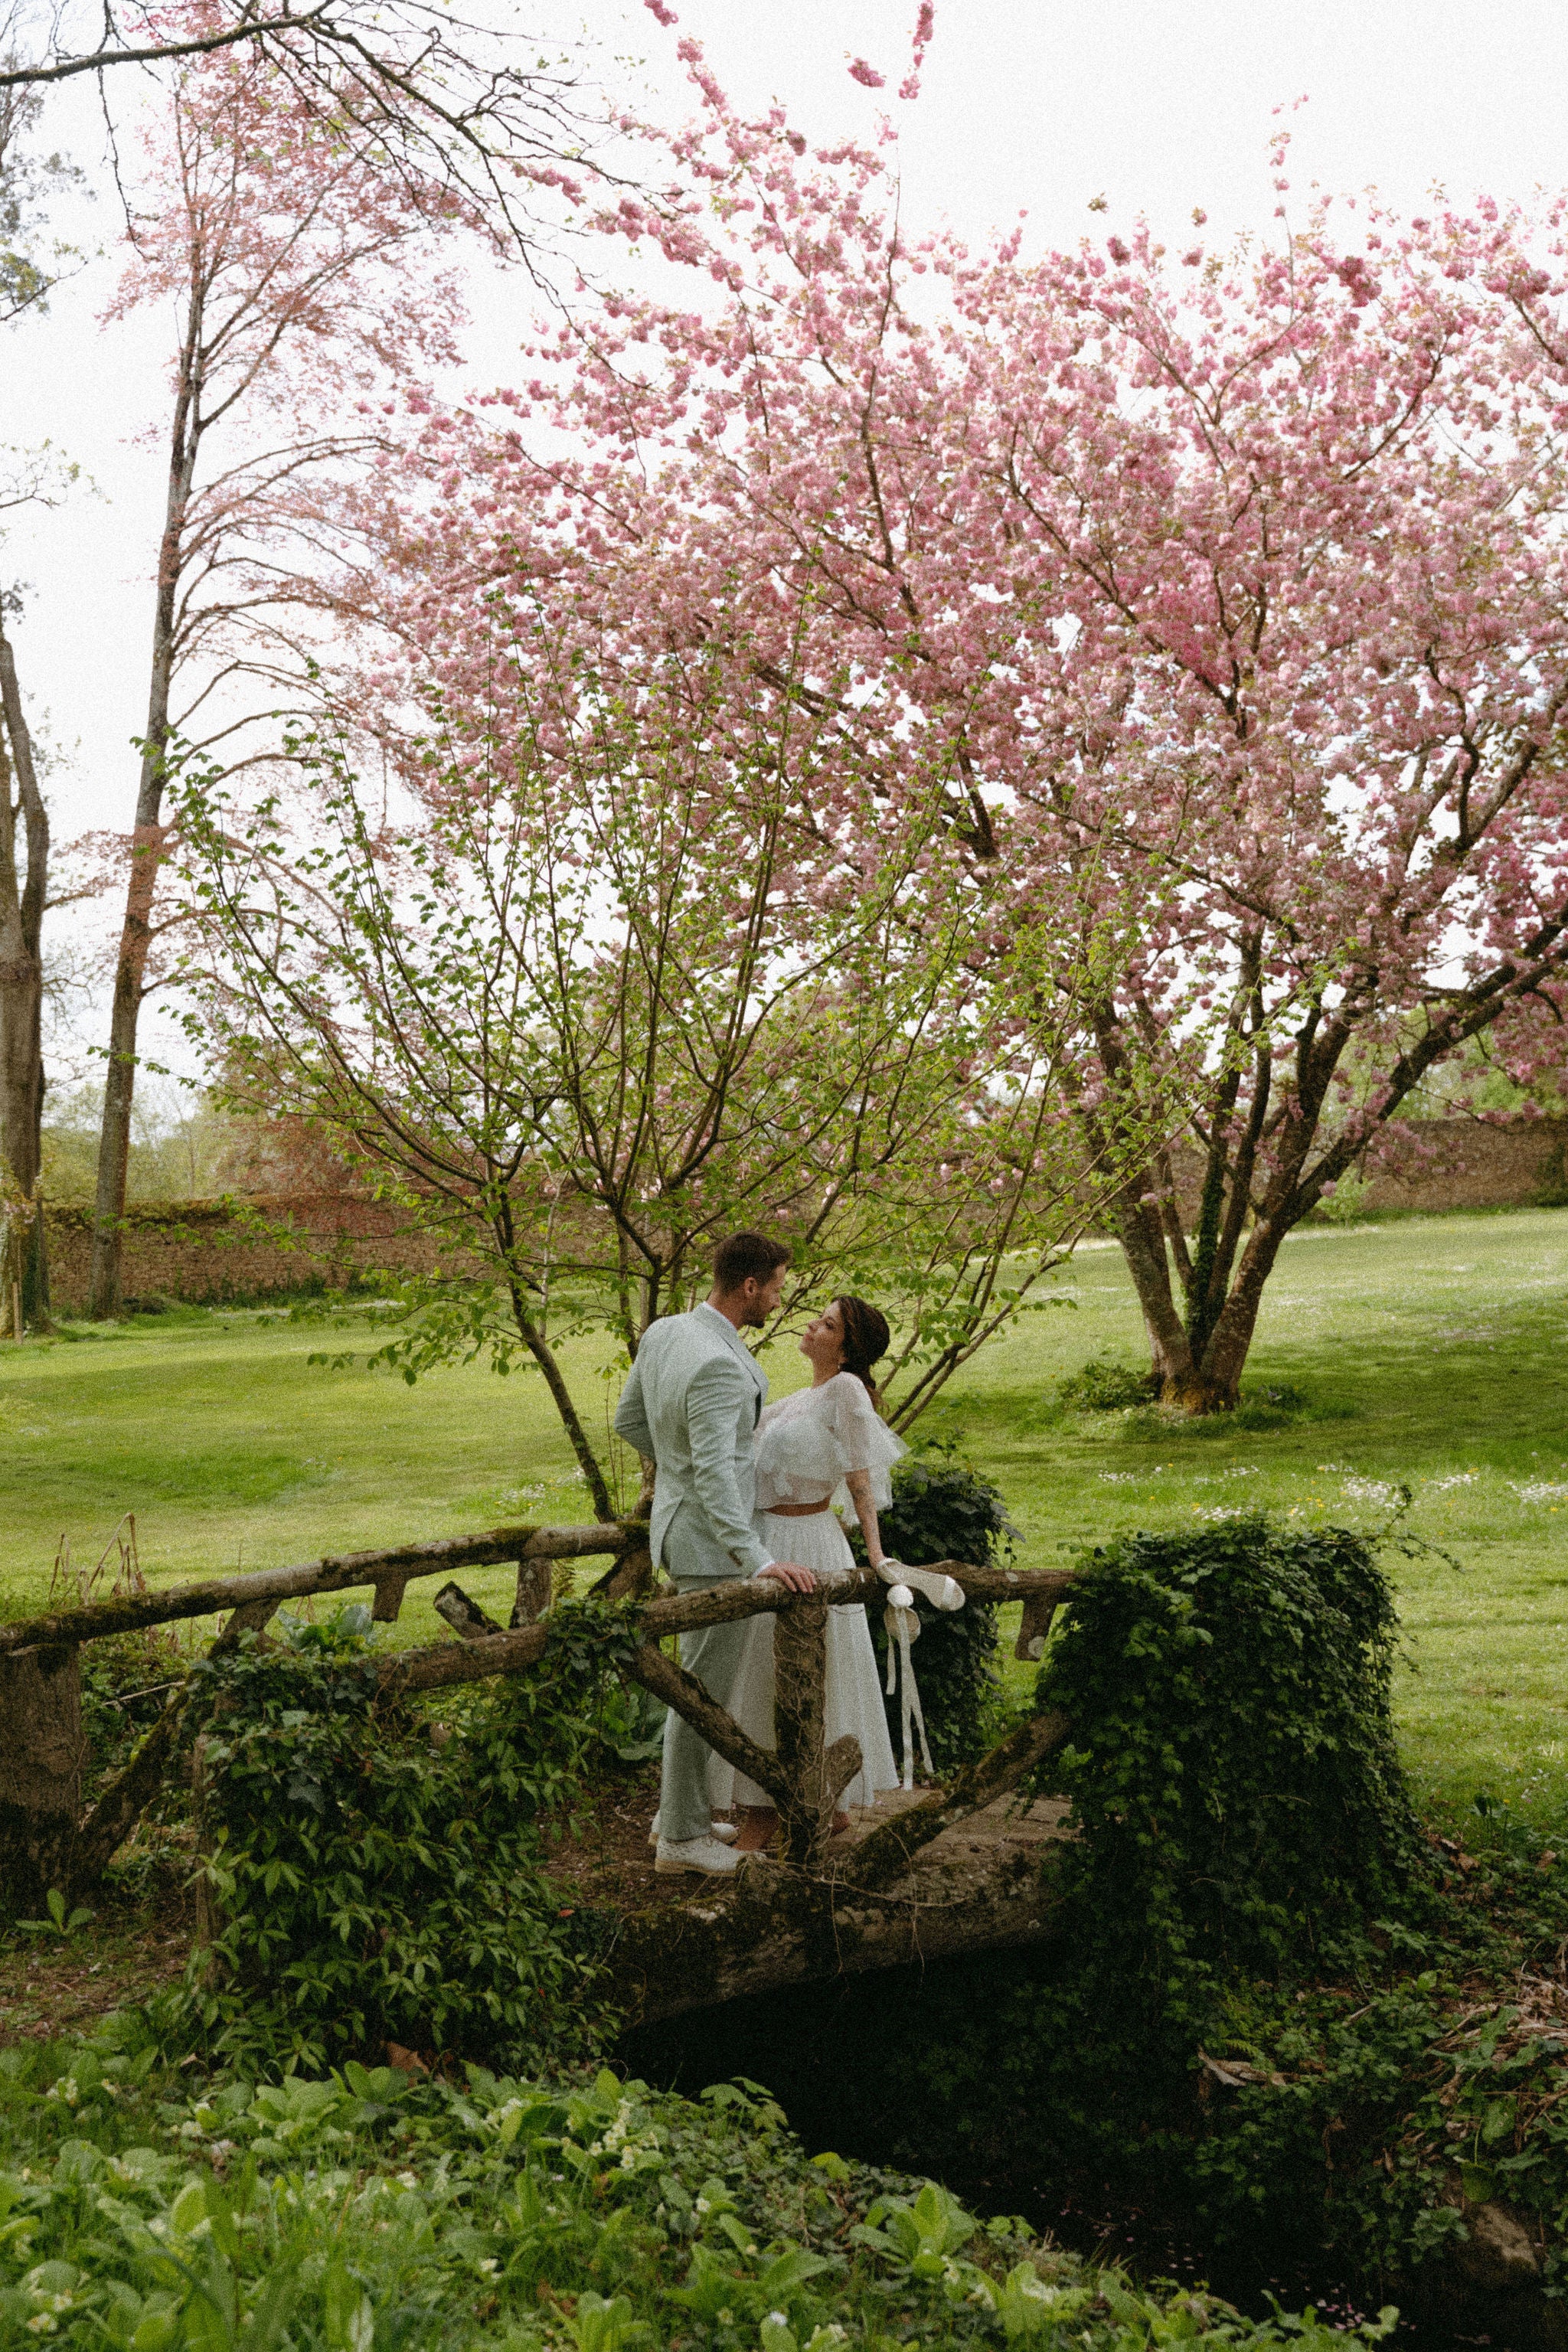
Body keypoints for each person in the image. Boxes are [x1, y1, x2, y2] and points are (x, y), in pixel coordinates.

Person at [612, 1230, 815, 1877]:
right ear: (749, 1286)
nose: (779, 1300)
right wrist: (754, 1558)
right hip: (711, 1546)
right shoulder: (720, 1363)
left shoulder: (667, 1332)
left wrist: (671, 1473)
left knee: (696, 1686)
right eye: (777, 1286)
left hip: (679, 1530)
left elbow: (629, 1422)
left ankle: (681, 1813)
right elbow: (715, 1477)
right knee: (700, 1696)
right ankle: (680, 1839)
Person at [712, 1295, 905, 1853]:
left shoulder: (846, 1390)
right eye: (816, 1318)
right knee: (760, 1671)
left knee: (791, 1674)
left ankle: (767, 1817)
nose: (811, 1326)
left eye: (827, 1325)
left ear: (847, 1347)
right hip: (771, 1541)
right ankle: (815, 1804)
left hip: (810, 1541)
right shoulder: (798, 1398)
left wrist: (875, 1553)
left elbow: (861, 1479)